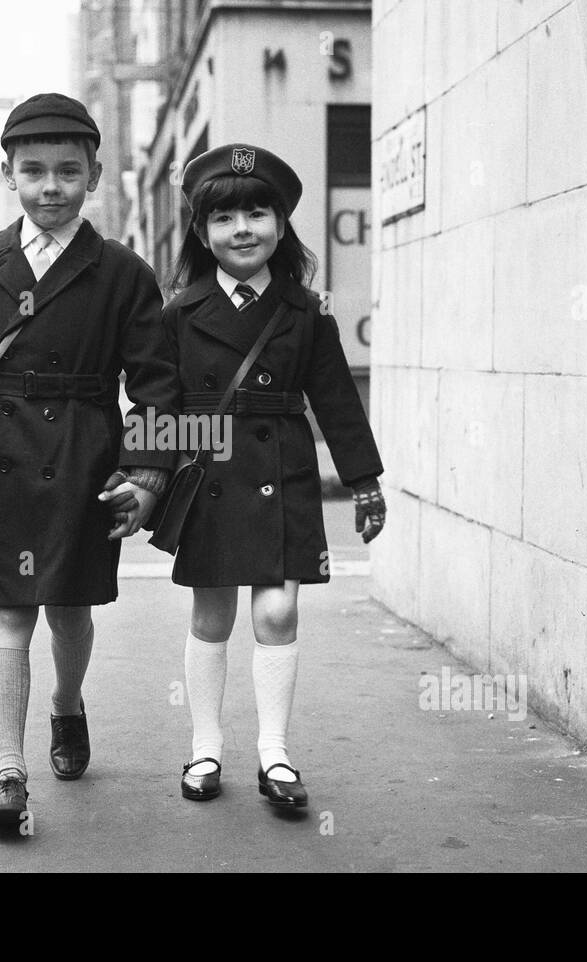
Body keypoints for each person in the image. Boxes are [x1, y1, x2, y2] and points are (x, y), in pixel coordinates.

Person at [0, 93, 180, 829]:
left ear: (94, 176)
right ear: (8, 174)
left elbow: (156, 383)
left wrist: (147, 475)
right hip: (0, 456)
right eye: (33, 171)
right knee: (9, 609)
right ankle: (5, 771)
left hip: (85, 461)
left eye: (66, 171)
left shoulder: (122, 273)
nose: (49, 186)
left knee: (70, 610)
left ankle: (65, 705)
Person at [162, 144, 387, 809]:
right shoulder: (179, 312)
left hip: (282, 469)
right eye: (225, 217)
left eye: (258, 213)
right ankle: (205, 747)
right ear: (202, 233)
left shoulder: (305, 310)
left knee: (280, 608)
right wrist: (144, 476)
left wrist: (365, 480)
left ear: (282, 224)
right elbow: (159, 404)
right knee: (211, 610)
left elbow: (337, 398)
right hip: (209, 475)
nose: (243, 229)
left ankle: (275, 753)